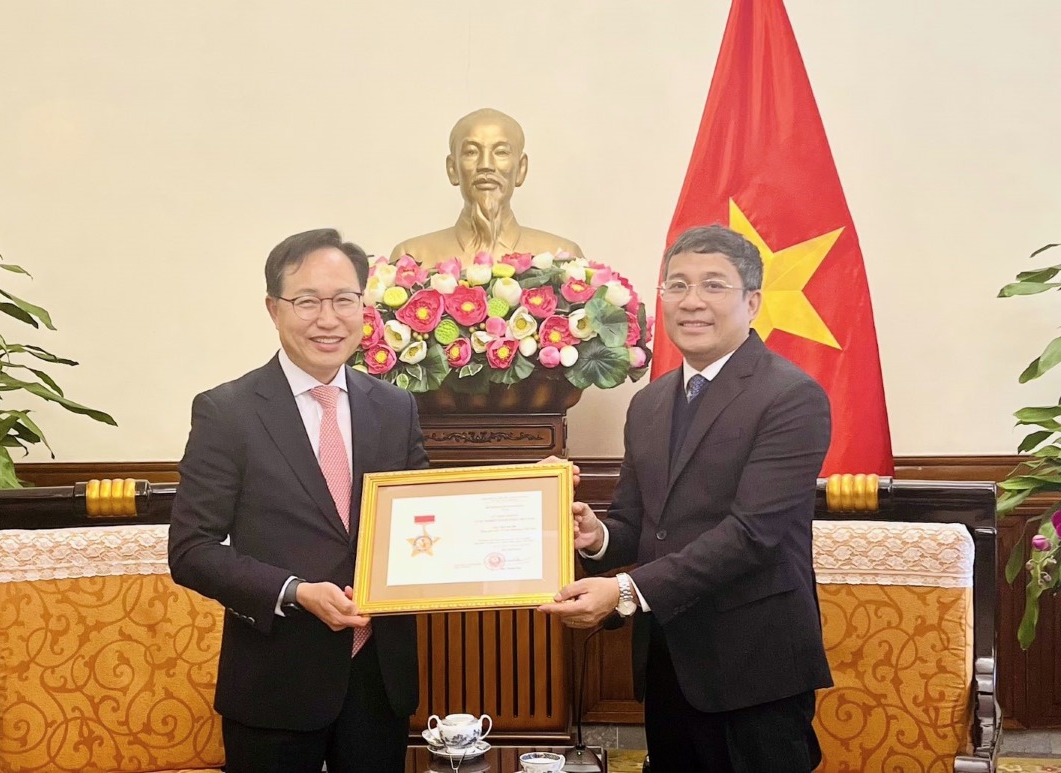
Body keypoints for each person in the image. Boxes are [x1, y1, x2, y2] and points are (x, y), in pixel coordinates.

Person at [539, 224, 833, 772]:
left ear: (752, 302)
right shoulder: (649, 403)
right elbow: (636, 522)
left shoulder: (791, 397)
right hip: (669, 658)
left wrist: (627, 592)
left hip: (755, 667)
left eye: (713, 285)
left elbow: (751, 535)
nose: (691, 301)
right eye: (677, 285)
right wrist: (595, 535)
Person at [168, 228, 428, 773]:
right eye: (307, 301)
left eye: (343, 300)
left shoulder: (395, 407)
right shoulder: (227, 412)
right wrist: (295, 591)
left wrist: (527, 499)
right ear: (274, 309)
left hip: (380, 680)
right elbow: (192, 550)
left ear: (363, 305)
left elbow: (425, 517)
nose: (328, 319)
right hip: (276, 683)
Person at [389, 107, 584, 266]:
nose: (486, 165)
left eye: (501, 152)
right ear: (452, 169)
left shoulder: (563, 258)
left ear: (521, 168)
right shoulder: (412, 258)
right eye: (471, 152)